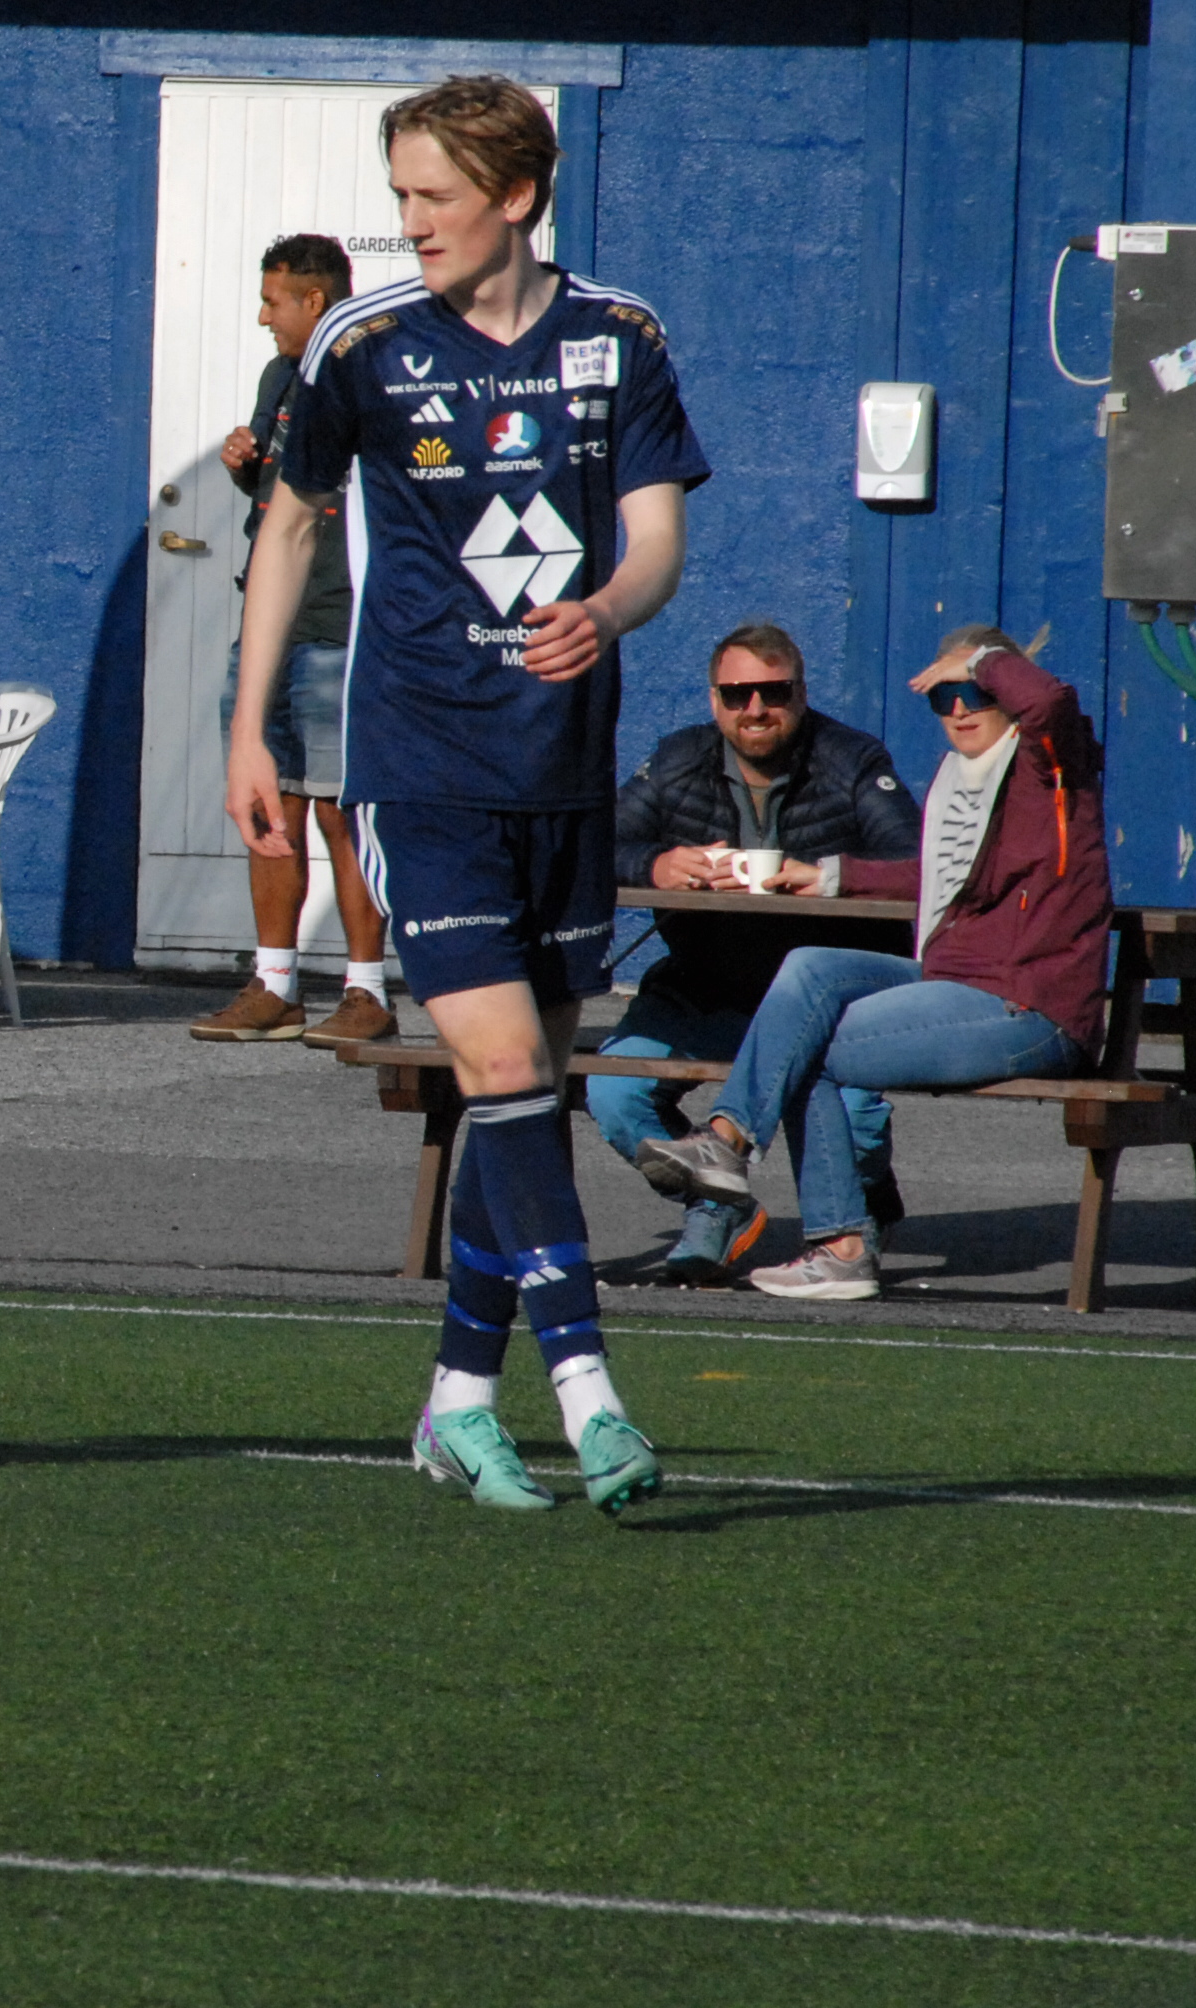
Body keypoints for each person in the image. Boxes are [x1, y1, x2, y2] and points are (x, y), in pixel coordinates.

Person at [231, 75, 705, 1517]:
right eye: (399, 196)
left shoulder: (618, 338)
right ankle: (589, 1395)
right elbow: (291, 522)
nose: (409, 223)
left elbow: (656, 539)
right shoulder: (366, 346)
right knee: (500, 1074)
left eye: (432, 196)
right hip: (419, 763)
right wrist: (247, 728)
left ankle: (451, 1403)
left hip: (559, 775)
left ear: (515, 195)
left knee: (526, 1101)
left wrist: (605, 610)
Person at [658, 628, 1108, 1303]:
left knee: (807, 1048)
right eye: (945, 698)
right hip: (958, 979)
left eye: (977, 694)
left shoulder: (1051, 764)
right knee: (809, 970)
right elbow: (938, 877)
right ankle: (725, 1144)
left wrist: (979, 659)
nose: (960, 709)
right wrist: (828, 876)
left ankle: (838, 1245)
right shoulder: (966, 780)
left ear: (1006, 691)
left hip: (1029, 1004)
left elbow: (1049, 703)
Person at [592, 622, 918, 1283]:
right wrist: (656, 865)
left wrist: (825, 875)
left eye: (774, 692)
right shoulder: (678, 760)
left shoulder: (852, 760)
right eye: (738, 694)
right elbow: (595, 846)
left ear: (801, 694)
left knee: (853, 1123)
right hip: (705, 984)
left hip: (826, 1004)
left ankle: (864, 1203)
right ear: (714, 700)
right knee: (613, 1090)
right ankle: (719, 1207)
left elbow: (912, 863)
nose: (756, 709)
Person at [192, 235, 395, 1047]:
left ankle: (366, 989)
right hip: (269, 630)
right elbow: (280, 487)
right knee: (269, 805)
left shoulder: (371, 375)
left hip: (341, 627)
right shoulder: (280, 376)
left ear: (315, 301)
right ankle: (274, 983)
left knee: (344, 815)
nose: (262, 316)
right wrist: (245, 465)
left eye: (273, 301)